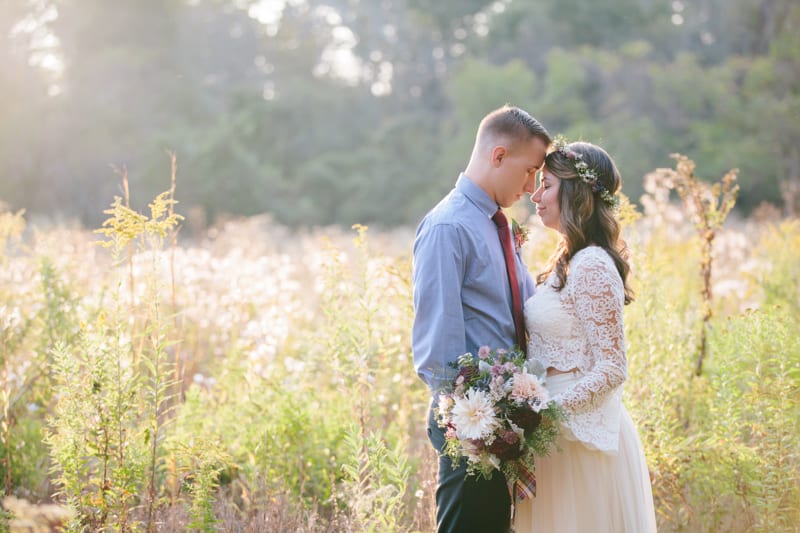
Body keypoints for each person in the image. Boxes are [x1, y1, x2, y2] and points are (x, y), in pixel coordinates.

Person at [412, 105, 551, 533]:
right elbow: (438, 352)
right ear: (498, 156)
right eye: (529, 171)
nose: (531, 187)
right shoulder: (448, 228)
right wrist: (484, 427)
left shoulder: (499, 226)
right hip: (473, 434)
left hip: (508, 430)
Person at [514, 139, 657, 532]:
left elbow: (612, 368)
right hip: (554, 438)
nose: (536, 196)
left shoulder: (592, 263)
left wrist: (547, 416)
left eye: (547, 185)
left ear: (575, 191)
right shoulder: (569, 261)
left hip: (581, 440)